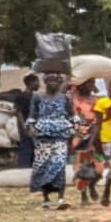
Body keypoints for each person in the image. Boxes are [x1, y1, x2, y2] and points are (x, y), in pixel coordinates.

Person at [23, 75, 73, 209]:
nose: (52, 83)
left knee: (59, 164)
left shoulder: (65, 98)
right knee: (43, 165)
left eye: (55, 81)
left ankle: (61, 198)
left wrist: (77, 126)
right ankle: (45, 198)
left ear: (59, 82)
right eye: (49, 80)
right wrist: (30, 128)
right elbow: (32, 115)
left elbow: (71, 114)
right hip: (42, 134)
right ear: (45, 82)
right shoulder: (38, 96)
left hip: (60, 133)